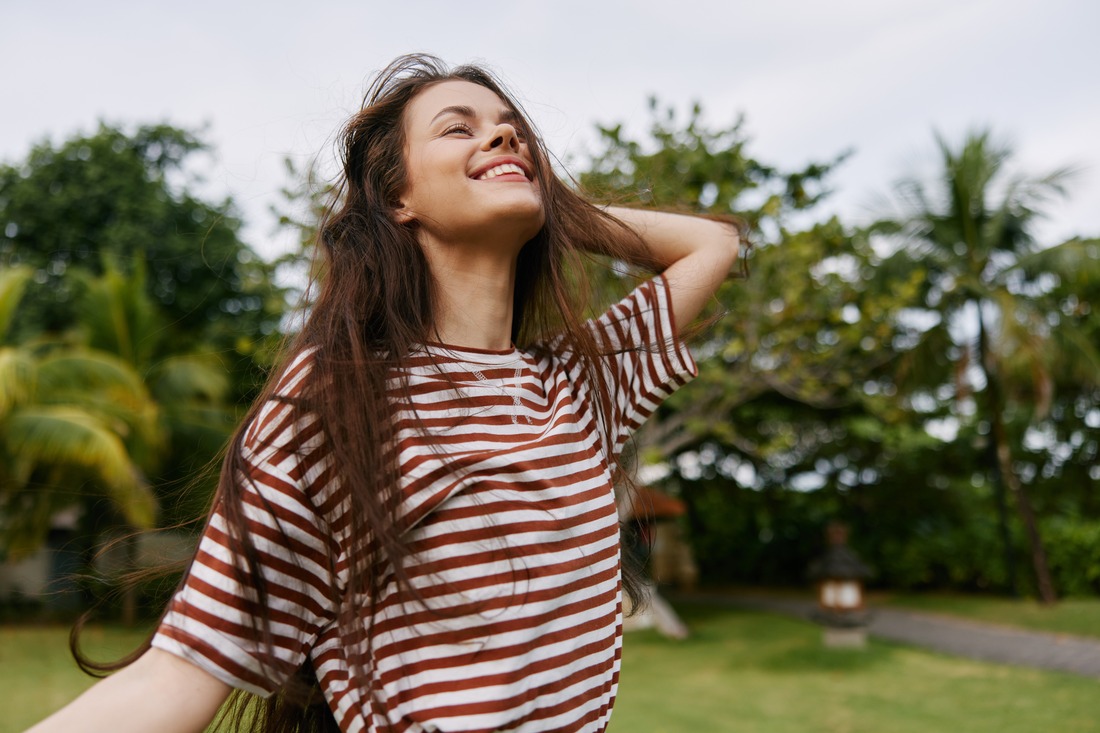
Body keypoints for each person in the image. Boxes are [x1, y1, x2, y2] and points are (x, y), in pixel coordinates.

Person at [28, 54, 742, 733]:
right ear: (398, 197)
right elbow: (178, 677)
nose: (504, 132)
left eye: (513, 128)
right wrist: (505, 169)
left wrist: (539, 191)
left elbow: (711, 245)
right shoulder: (337, 400)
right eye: (457, 126)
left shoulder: (577, 386)